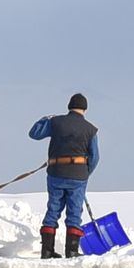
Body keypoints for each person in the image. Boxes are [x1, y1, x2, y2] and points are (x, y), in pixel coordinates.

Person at [28, 93, 99, 258]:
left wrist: (46, 118)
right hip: (78, 176)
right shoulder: (91, 129)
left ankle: (47, 251)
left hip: (56, 172)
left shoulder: (55, 122)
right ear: (85, 110)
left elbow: (34, 133)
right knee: (74, 212)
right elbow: (95, 157)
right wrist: (85, 173)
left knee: (53, 209)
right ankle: (72, 251)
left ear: (69, 107)